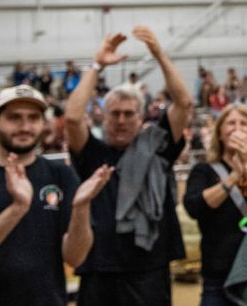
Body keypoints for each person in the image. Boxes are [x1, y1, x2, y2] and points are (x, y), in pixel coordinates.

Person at [64, 26, 194, 305]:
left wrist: (159, 54)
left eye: (128, 114)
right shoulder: (92, 153)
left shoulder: (157, 147)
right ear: (104, 117)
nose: (121, 120)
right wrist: (96, 65)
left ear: (141, 117)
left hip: (150, 269)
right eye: (115, 114)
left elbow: (184, 103)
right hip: (99, 268)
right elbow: (73, 118)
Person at [0, 85, 114, 306]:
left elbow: (75, 257)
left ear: (43, 124)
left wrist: (81, 207)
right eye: (14, 118)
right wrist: (17, 209)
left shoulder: (60, 174)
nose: (25, 126)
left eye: (33, 118)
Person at [183, 105, 247, 306]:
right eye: (231, 123)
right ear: (220, 133)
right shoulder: (203, 170)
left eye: (244, 124)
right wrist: (233, 177)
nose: (237, 128)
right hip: (218, 274)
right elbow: (194, 207)